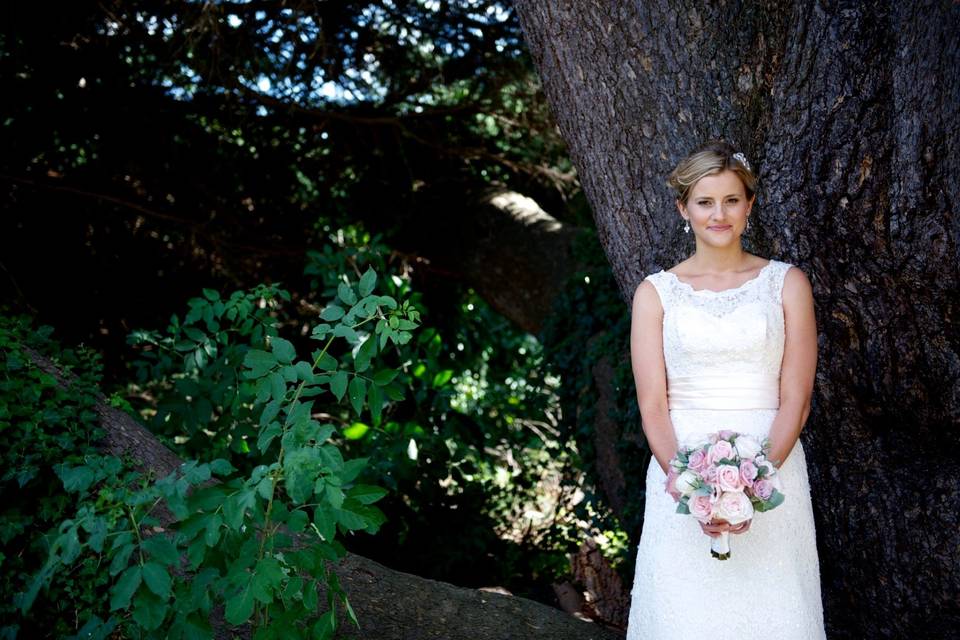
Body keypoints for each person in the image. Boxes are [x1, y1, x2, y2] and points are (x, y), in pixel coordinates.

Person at [624, 140, 827, 638]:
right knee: (685, 613)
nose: (719, 214)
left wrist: (752, 483)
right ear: (683, 209)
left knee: (773, 612)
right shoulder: (655, 293)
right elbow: (652, 406)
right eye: (705, 202)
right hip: (679, 468)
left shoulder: (787, 284)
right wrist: (691, 488)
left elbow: (796, 399)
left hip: (772, 466)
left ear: (749, 205)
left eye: (732, 200)